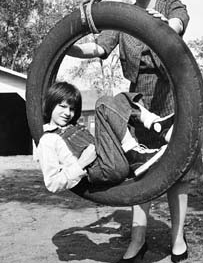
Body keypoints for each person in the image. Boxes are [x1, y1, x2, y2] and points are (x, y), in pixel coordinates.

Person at [67, 0, 203, 263]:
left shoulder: (170, 6)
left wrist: (166, 25)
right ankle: (137, 239)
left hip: (175, 95)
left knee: (177, 172)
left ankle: (177, 237)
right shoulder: (122, 17)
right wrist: (67, 41)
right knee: (142, 173)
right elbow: (99, 47)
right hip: (140, 101)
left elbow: (178, 25)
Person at [38, 81, 173, 193]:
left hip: (110, 158)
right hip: (102, 168)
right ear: (50, 105)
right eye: (62, 107)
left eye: (72, 109)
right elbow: (52, 183)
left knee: (120, 99)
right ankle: (134, 153)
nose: (67, 113)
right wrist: (81, 164)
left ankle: (157, 125)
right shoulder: (48, 140)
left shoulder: (73, 126)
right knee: (103, 104)